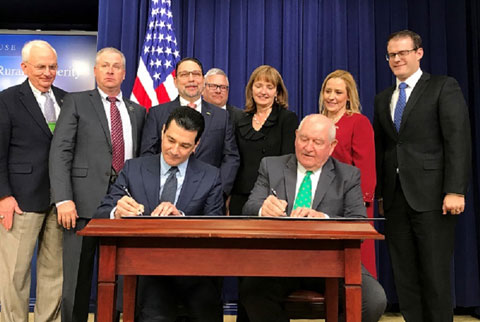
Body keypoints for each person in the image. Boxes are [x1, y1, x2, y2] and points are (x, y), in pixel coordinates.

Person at [240, 114, 386, 322]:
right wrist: (263, 209)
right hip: (280, 260)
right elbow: (249, 208)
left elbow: (359, 224)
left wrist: (324, 219)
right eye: (304, 139)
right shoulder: (271, 166)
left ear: (332, 146)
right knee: (252, 291)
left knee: (374, 300)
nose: (308, 147)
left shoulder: (348, 176)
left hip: (332, 260)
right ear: (295, 136)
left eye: (317, 142)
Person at [374, 30, 471, 322]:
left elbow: (457, 140)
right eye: (392, 54)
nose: (397, 59)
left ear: (419, 53)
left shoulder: (443, 87)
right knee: (405, 275)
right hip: (395, 199)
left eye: (403, 52)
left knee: (434, 273)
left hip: (433, 198)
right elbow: (385, 151)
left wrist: (455, 189)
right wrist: (381, 194)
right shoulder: (383, 98)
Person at [96, 106, 224, 322]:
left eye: (184, 146)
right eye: (170, 140)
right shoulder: (133, 169)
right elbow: (101, 212)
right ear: (163, 131)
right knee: (155, 311)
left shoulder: (210, 176)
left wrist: (181, 218)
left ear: (196, 145)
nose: (174, 150)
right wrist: (117, 211)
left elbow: (215, 225)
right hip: (144, 269)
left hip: (191, 271)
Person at [49, 47, 146, 322]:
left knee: (120, 280)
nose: (110, 70)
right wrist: (63, 199)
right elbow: (60, 152)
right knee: (78, 281)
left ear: (124, 73)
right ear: (95, 71)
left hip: (125, 208)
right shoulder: (77, 102)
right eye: (104, 65)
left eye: (116, 66)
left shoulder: (137, 111)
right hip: (81, 206)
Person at [0, 40, 66, 322]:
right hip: (20, 200)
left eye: (52, 66)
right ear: (24, 67)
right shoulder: (6, 99)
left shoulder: (67, 98)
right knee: (14, 272)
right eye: (40, 66)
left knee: (54, 271)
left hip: (59, 199)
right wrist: (3, 196)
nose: (47, 72)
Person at [141, 57, 240, 197]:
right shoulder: (157, 114)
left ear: (203, 80)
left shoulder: (221, 116)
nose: (191, 79)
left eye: (196, 74)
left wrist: (219, 191)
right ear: (175, 81)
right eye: (184, 74)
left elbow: (231, 157)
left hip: (210, 198)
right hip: (166, 194)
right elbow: (147, 155)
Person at [319, 69, 377, 277]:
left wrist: (360, 202)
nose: (332, 97)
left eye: (338, 92)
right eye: (328, 91)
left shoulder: (358, 123)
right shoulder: (317, 121)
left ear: (348, 96)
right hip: (322, 201)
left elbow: (366, 167)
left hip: (352, 201)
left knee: (356, 258)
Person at [229, 65, 298, 215]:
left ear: (277, 92)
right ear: (251, 89)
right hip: (240, 196)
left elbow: (289, 161)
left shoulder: (287, 119)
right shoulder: (240, 119)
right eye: (258, 86)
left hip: (272, 197)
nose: (263, 91)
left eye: (269, 87)